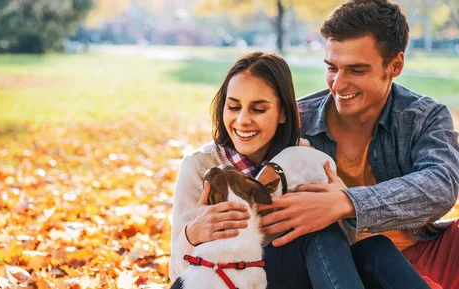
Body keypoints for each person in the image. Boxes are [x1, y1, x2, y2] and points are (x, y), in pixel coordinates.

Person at [169, 51, 429, 288]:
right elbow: (177, 275)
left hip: (308, 277)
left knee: (376, 248)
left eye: (258, 109)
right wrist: (192, 235)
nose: (242, 120)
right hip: (241, 278)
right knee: (316, 234)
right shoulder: (200, 166)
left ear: (283, 113)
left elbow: (342, 249)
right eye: (233, 107)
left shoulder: (304, 157)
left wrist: (342, 201)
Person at [257, 1, 459, 288]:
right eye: (332, 68)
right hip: (334, 263)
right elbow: (238, 159)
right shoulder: (298, 120)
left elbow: (441, 185)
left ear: (395, 65)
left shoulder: (424, 117)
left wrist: (346, 202)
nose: (338, 84)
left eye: (356, 70)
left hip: (419, 250)